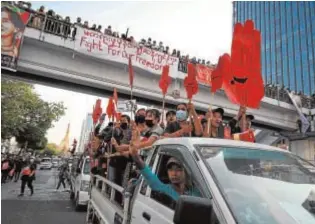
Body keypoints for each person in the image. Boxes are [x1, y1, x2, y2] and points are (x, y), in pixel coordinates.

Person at [129, 145, 201, 201]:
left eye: (178, 169)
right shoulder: (163, 188)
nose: (174, 173)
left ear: (186, 171)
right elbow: (147, 173)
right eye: (170, 170)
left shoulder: (197, 192)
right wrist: (135, 156)